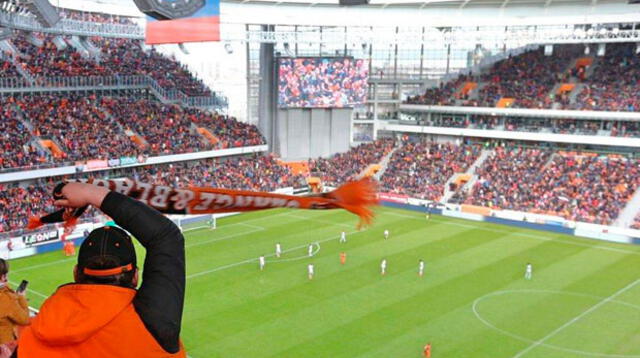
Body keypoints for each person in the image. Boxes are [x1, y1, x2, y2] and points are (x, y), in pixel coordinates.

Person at [17, 182, 187, 357]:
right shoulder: (153, 323)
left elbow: (166, 238)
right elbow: (165, 238)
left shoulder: (31, 335)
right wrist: (90, 193)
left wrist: (90, 193)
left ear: (76, 273)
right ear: (135, 277)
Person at [0, 259, 29, 345]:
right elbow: (24, 319)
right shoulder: (6, 299)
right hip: (4, 346)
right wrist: (21, 298)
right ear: (3, 276)